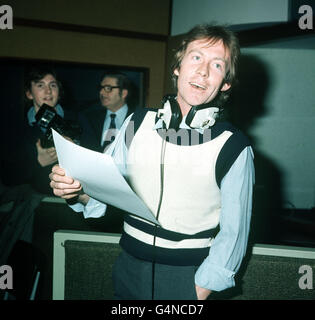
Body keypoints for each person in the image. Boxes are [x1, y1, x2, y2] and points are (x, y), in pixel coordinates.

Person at [49, 24, 255, 300]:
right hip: (128, 267)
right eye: (195, 58)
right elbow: (101, 193)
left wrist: (201, 287)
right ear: (177, 67)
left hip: (187, 278)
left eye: (217, 65)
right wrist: (76, 192)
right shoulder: (136, 123)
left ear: (225, 83)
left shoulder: (234, 146)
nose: (203, 71)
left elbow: (235, 231)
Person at [2, 67, 78, 195]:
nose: (48, 91)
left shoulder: (78, 120)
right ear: (29, 94)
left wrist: (75, 149)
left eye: (53, 85)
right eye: (40, 85)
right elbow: (8, 177)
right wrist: (38, 162)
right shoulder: (15, 128)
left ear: (59, 91)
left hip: (73, 199)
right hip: (37, 202)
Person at [78, 71, 135, 153]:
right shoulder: (89, 118)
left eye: (108, 88)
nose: (101, 92)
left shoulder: (136, 119)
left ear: (123, 93)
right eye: (101, 88)